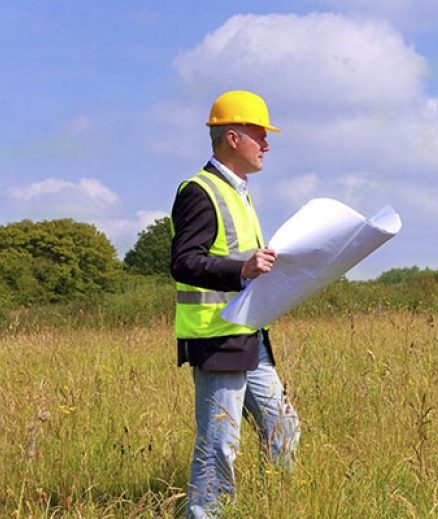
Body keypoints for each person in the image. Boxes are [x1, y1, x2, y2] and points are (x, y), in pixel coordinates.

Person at [170, 90, 300, 518]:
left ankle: (276, 508)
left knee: (283, 429)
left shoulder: (239, 192)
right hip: (217, 337)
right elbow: (184, 262)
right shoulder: (200, 191)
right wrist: (241, 269)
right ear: (232, 137)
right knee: (219, 443)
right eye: (259, 134)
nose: (267, 144)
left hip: (249, 334)